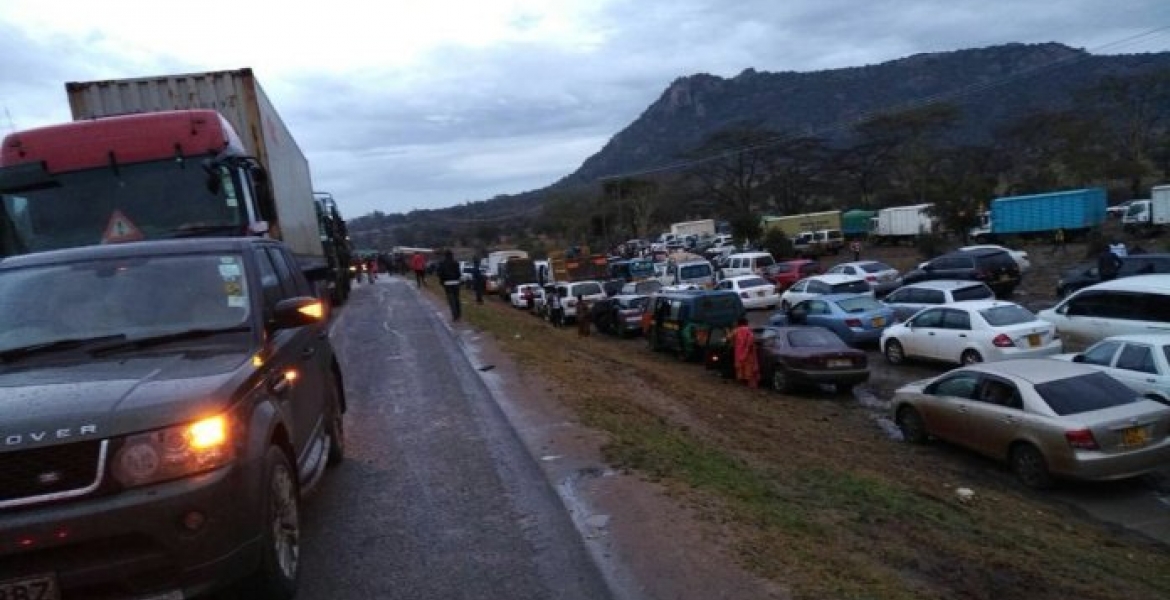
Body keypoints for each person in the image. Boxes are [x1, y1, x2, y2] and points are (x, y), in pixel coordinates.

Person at [729, 317, 759, 389]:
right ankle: (751, 383)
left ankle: (741, 381)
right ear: (746, 323)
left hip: (739, 352)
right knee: (750, 367)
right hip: (749, 353)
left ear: (738, 323)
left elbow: (729, 337)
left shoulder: (736, 330)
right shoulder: (749, 330)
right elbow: (752, 339)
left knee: (740, 367)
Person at [437, 250, 462, 321]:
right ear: (452, 255)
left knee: (451, 300)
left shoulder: (442, 263)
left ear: (445, 256)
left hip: (447, 283)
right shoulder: (456, 263)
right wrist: (457, 279)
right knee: (457, 299)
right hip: (456, 283)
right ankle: (459, 314)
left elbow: (440, 274)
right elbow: (459, 273)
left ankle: (454, 315)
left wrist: (442, 282)